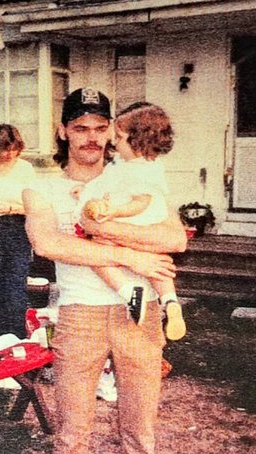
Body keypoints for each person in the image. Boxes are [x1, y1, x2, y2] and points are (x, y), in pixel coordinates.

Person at [22, 87, 187, 454]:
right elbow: (48, 244)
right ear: (63, 131)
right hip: (80, 315)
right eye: (81, 128)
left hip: (142, 314)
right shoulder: (42, 189)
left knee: (140, 432)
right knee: (71, 434)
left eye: (99, 127)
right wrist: (134, 257)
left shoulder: (134, 174)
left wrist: (103, 232)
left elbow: (174, 238)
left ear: (112, 129)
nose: (91, 137)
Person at [74, 101, 186, 340]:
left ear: (138, 141)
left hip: (135, 219)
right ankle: (170, 301)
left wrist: (115, 212)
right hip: (146, 224)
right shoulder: (139, 165)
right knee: (157, 262)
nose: (114, 142)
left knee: (96, 251)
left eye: (120, 137)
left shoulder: (140, 170)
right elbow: (107, 186)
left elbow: (140, 202)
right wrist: (86, 193)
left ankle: (128, 291)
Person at [0, 124, 37, 339]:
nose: (10, 154)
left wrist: (11, 208)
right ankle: (0, 334)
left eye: (14, 149)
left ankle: (18, 334)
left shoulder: (25, 169)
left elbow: (35, 203)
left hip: (17, 226)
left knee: (15, 282)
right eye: (5, 149)